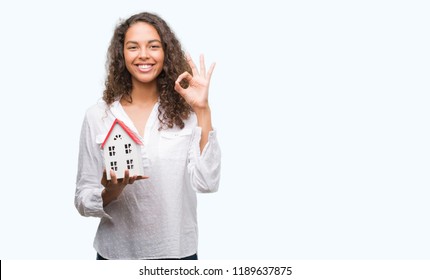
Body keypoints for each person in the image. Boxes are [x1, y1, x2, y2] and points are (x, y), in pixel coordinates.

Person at [74, 12, 221, 260]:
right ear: (122, 55)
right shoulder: (97, 115)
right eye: (133, 47)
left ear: (166, 53)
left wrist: (202, 110)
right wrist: (111, 191)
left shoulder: (187, 114)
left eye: (153, 46)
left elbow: (206, 183)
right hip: (115, 254)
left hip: (177, 254)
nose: (144, 55)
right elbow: (82, 198)